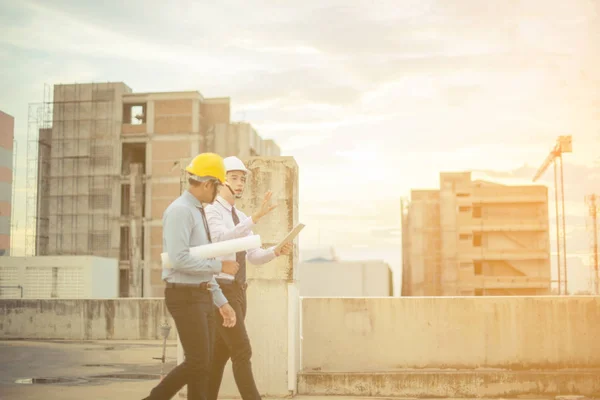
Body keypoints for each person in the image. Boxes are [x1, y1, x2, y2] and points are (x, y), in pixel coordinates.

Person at [143, 153, 239, 400]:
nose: (217, 193)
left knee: (203, 366)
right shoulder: (180, 211)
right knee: (198, 363)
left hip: (202, 294)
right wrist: (221, 266)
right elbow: (179, 259)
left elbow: (202, 262)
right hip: (184, 296)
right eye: (217, 186)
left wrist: (222, 302)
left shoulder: (197, 211)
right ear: (207, 183)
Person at [205, 156, 293, 400]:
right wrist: (254, 219)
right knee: (242, 351)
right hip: (221, 291)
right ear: (219, 181)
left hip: (240, 292)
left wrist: (275, 250)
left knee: (219, 356)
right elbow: (220, 241)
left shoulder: (240, 215)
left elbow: (253, 256)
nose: (240, 183)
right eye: (234, 178)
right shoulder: (211, 210)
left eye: (242, 178)